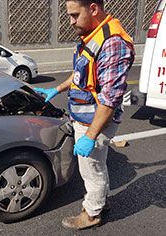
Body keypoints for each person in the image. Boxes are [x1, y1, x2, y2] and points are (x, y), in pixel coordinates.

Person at [34, 0, 135, 230]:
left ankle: (92, 213)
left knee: (90, 169)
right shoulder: (93, 36)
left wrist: (90, 135)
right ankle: (101, 201)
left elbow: (110, 99)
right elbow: (81, 73)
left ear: (93, 8)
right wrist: (56, 89)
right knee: (96, 165)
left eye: (74, 15)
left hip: (96, 121)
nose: (71, 22)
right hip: (87, 117)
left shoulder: (112, 44)